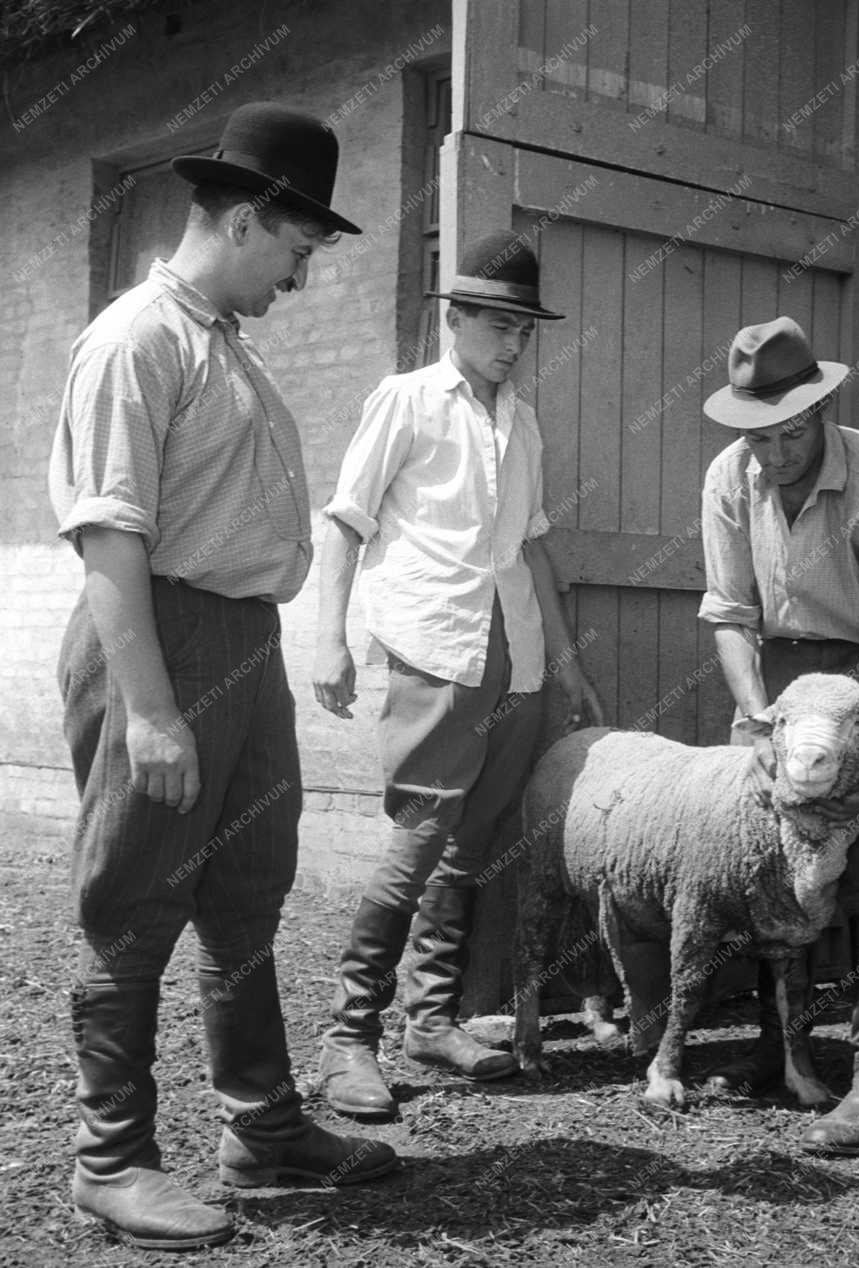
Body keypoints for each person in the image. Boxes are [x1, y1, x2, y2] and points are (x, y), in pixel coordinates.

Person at [48, 102, 397, 1253]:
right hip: (162, 637)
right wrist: (149, 709)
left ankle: (263, 1125)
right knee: (135, 893)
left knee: (247, 886)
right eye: (298, 251)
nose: (301, 278)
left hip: (242, 644)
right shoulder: (135, 339)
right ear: (247, 221)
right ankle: (112, 1157)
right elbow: (109, 540)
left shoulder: (220, 346)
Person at [314, 230, 602, 1120]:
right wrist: (329, 636)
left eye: (525, 328)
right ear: (456, 319)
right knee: (418, 837)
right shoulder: (404, 402)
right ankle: (347, 1038)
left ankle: (429, 1017)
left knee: (473, 840)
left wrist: (564, 663)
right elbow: (347, 520)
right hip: (431, 646)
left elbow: (532, 546)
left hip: (510, 655)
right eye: (498, 324)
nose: (513, 343)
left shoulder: (524, 420)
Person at [698, 316, 859, 1155]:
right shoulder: (730, 477)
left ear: (825, 407)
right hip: (778, 685)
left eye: (792, 433)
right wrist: (758, 719)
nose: (773, 456)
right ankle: (785, 1047)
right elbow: (731, 613)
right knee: (772, 867)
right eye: (757, 438)